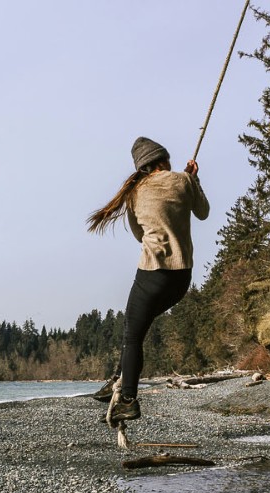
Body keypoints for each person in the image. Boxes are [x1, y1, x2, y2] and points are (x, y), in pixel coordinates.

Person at [86, 136, 210, 424]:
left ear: (142, 168)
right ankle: (118, 379)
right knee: (137, 329)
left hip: (152, 272)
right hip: (181, 278)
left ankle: (128, 399)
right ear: (164, 160)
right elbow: (203, 213)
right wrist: (193, 180)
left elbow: (140, 235)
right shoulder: (183, 180)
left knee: (132, 333)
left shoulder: (135, 193)